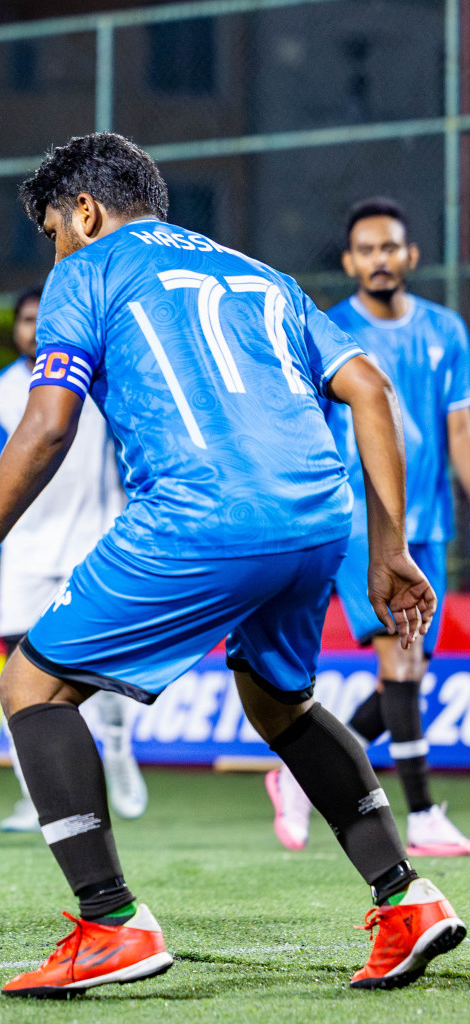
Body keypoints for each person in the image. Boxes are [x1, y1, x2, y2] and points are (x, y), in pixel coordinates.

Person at [0, 132, 462, 996]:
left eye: (55, 228)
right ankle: (406, 899)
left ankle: (110, 924)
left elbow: (49, 421)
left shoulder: (86, 271)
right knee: (280, 702)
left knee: (31, 687)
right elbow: (372, 393)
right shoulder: (259, 275)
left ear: (85, 212)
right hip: (319, 513)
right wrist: (387, 547)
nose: (55, 245)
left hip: (202, 512)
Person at [265, 199, 470, 859]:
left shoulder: (448, 331)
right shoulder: (327, 330)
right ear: (351, 261)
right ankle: (424, 811)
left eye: (391, 248)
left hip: (430, 523)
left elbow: (461, 429)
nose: (380, 259)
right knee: (401, 659)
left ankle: (297, 775)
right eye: (366, 250)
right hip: (360, 524)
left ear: (409, 256)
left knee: (404, 678)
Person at [0, 286, 143, 832]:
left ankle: (117, 750)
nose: (34, 328)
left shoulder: (99, 376)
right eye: (25, 319)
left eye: (44, 319)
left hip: (96, 542)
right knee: (17, 677)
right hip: (24, 553)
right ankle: (34, 798)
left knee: (101, 670)